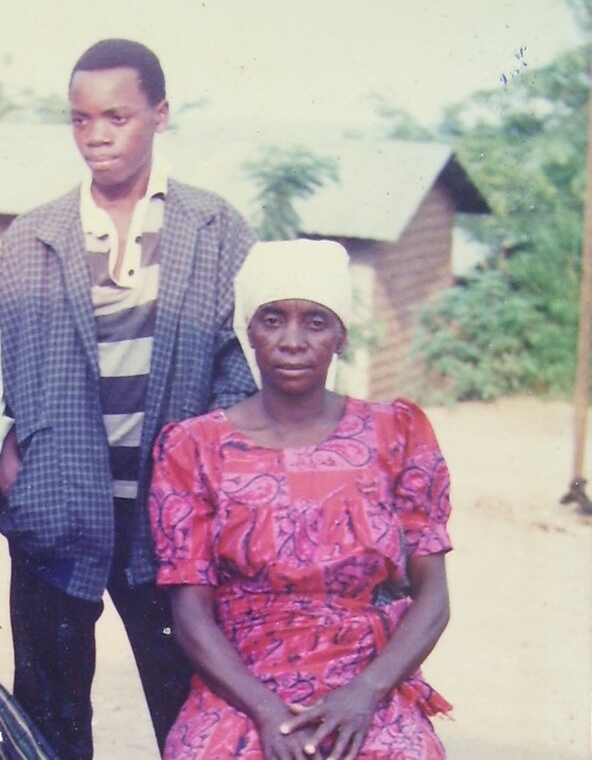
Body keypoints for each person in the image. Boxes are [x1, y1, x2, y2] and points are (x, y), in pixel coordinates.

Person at [0, 38, 257, 760]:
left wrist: (209, 469)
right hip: (56, 515)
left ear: (160, 114)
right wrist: (7, 454)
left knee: (196, 713)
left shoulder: (215, 230)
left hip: (172, 525)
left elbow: (244, 364)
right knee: (49, 724)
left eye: (117, 115)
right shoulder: (33, 239)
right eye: (80, 120)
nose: (97, 135)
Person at [149, 238, 453, 760]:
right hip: (241, 687)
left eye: (315, 321)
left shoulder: (396, 433)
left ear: (341, 336)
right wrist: (265, 710)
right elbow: (190, 611)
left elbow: (434, 598)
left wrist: (366, 693)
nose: (293, 341)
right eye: (272, 319)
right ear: (248, 333)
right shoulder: (194, 447)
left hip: (365, 680)